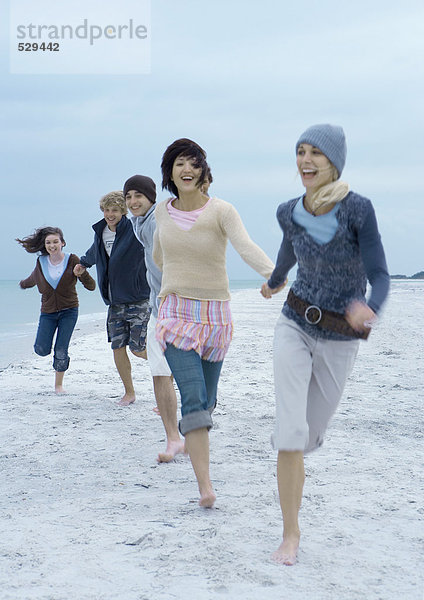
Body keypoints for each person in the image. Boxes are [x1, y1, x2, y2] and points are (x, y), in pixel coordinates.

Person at [261, 124, 390, 566]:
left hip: (340, 337)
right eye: (299, 151)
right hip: (294, 324)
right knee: (291, 434)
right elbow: (288, 253)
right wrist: (275, 281)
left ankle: (294, 444)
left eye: (315, 152)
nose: (305, 160)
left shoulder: (358, 210)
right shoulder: (288, 211)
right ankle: (290, 535)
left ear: (333, 162)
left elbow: (380, 273)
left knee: (310, 434)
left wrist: (371, 307)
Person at [153, 138, 275, 507]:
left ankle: (195, 433)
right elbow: (159, 257)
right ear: (169, 173)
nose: (186, 170)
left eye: (193, 164)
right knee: (192, 398)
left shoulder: (222, 210)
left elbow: (245, 246)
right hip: (175, 312)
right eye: (178, 164)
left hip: (215, 315)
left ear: (203, 171)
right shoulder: (162, 211)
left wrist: (274, 274)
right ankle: (205, 487)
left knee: (207, 400)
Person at [123, 174, 185, 462]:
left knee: (186, 373)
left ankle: (194, 420)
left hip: (182, 307)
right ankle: (173, 438)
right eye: (129, 197)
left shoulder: (158, 220)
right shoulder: (139, 223)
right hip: (158, 308)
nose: (133, 202)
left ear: (151, 197)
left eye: (138, 196)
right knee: (159, 370)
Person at [73, 191, 151, 406]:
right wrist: (83, 263)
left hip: (138, 298)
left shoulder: (135, 229)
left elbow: (153, 244)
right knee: (118, 347)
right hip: (114, 300)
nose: (110, 214)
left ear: (123, 211)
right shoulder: (101, 232)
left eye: (115, 210)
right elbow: (95, 252)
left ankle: (169, 368)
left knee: (138, 349)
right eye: (107, 210)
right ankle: (129, 393)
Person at [17, 226, 96, 393]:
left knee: (61, 348)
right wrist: (23, 284)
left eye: (55, 242)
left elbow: (91, 287)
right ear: (44, 245)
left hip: (69, 311)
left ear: (62, 243)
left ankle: (58, 385)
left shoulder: (72, 259)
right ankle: (50, 354)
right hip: (47, 312)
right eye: (48, 242)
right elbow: (34, 277)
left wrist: (82, 273)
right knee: (41, 349)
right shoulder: (41, 261)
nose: (52, 245)